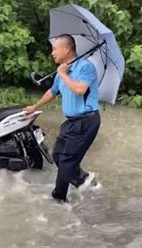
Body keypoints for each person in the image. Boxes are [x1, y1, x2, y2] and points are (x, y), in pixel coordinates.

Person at [24, 34, 100, 203]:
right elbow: (52, 92)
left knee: (66, 161)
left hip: (86, 121)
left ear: (66, 49)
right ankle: (85, 179)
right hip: (71, 122)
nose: (52, 53)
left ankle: (59, 197)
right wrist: (35, 106)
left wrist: (64, 74)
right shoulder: (62, 71)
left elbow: (80, 90)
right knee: (58, 155)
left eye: (54, 49)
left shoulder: (86, 67)